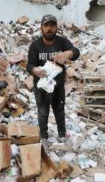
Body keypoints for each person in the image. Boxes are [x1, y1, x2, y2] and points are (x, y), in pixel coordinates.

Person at [27, 14, 80, 144]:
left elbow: (76, 52)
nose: (49, 28)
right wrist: (35, 71)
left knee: (59, 111)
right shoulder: (35, 46)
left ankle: (62, 135)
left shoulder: (62, 42)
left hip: (58, 86)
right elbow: (29, 64)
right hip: (42, 86)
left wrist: (69, 53)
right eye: (46, 25)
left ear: (56, 27)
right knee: (43, 113)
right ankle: (44, 136)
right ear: (41, 28)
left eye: (52, 25)